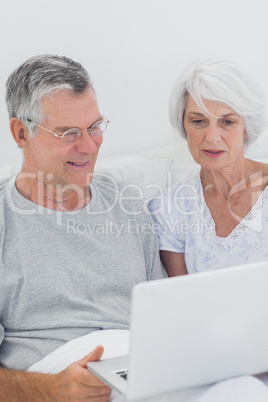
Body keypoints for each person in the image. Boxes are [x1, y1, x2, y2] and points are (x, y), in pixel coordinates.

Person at [0, 54, 165, 401]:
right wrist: (50, 390)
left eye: (94, 127)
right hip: (54, 376)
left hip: (138, 370)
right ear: (21, 132)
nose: (89, 146)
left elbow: (164, 319)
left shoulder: (129, 207)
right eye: (69, 133)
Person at [149, 59, 268, 277]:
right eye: (198, 121)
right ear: (183, 125)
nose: (212, 138)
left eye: (227, 122)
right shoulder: (168, 209)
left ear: (246, 128)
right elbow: (181, 296)